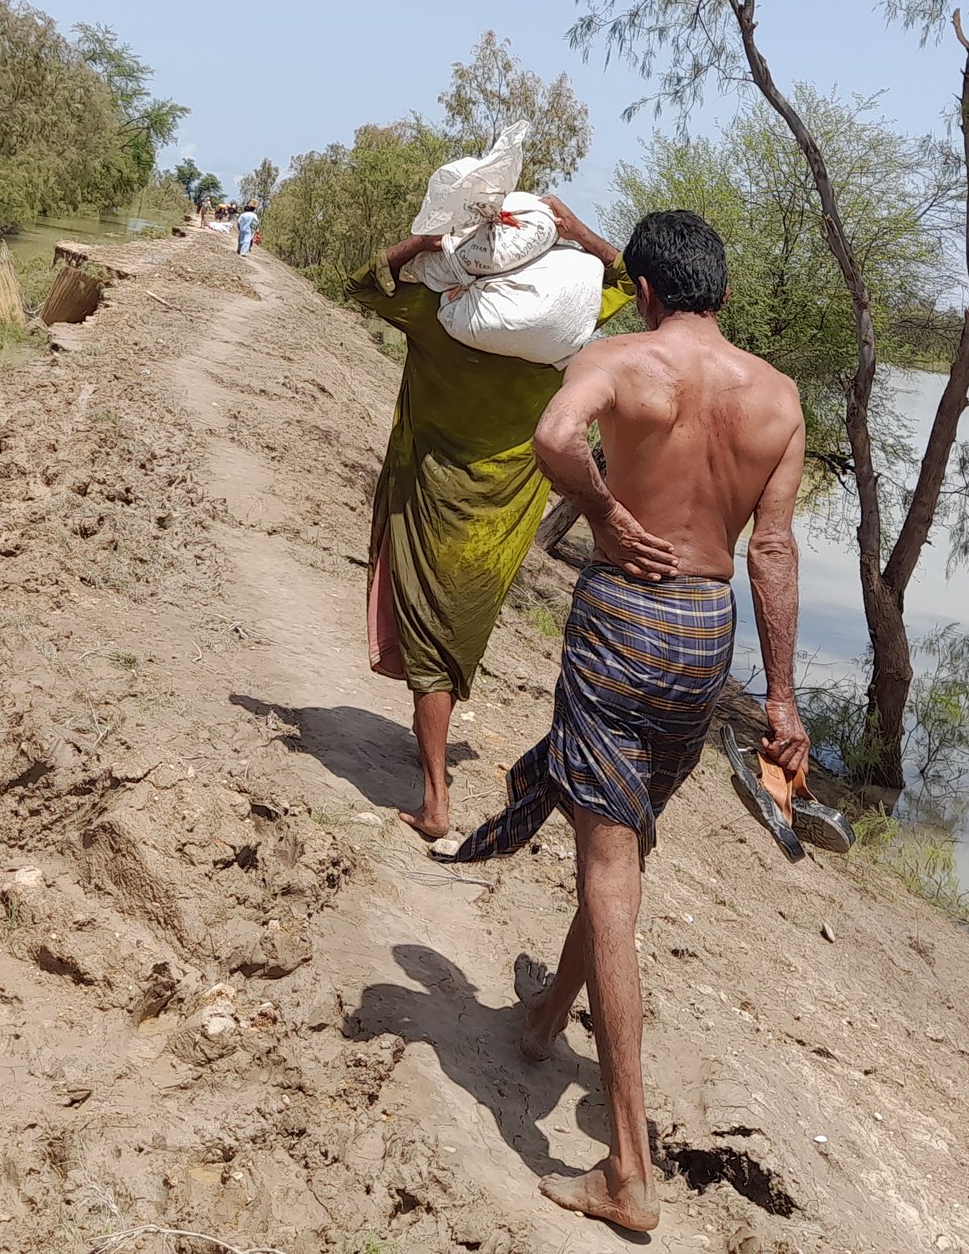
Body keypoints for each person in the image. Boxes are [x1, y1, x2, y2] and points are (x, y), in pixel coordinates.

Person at [447, 208, 808, 1234]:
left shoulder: (617, 358)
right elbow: (771, 554)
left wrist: (602, 511)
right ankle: (548, 1014)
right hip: (705, 636)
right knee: (621, 835)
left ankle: (628, 1170)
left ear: (642, 290)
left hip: (620, 620)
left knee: (609, 869)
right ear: (722, 294)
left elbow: (554, 438)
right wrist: (778, 700)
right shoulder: (776, 397)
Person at [348, 194, 632, 840]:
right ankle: (434, 756)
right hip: (506, 514)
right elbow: (624, 275)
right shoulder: (564, 324)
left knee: (429, 640)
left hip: (434, 496)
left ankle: (434, 798)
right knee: (455, 632)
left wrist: (424, 243)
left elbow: (365, 282)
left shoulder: (434, 317)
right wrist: (573, 226)